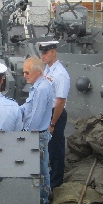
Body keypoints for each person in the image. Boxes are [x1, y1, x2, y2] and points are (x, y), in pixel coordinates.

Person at [19, 57, 55, 204]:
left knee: (41, 170)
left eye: (27, 72)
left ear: (38, 72)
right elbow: (28, 106)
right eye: (23, 72)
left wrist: (25, 134)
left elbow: (36, 117)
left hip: (37, 136)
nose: (24, 75)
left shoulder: (41, 89)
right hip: (38, 134)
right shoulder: (38, 86)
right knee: (41, 167)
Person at [39, 41, 70, 189]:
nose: (42, 55)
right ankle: (49, 177)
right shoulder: (48, 69)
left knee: (56, 148)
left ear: (53, 52)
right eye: (42, 52)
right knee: (48, 147)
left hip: (55, 114)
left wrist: (52, 123)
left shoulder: (60, 74)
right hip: (47, 112)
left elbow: (60, 102)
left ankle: (56, 182)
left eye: (45, 52)